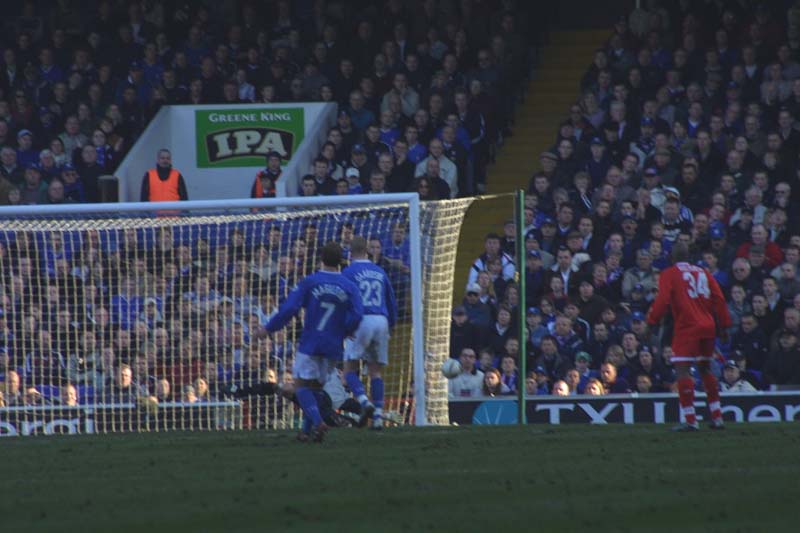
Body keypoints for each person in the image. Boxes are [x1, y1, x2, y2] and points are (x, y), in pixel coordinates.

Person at [259, 242, 363, 442]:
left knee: (301, 386)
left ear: (321, 259)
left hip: (311, 342)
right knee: (315, 389)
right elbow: (358, 314)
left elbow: (290, 309)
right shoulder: (349, 286)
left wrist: (268, 328)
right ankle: (306, 432)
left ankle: (318, 422)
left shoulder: (310, 282)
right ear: (341, 261)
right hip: (334, 345)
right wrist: (347, 329)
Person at [647, 242, 732, 431]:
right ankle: (717, 417)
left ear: (672, 257)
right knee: (705, 369)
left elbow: (662, 300)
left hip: (687, 327)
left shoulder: (669, 273)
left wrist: (652, 320)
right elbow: (719, 298)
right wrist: (724, 326)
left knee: (683, 371)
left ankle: (691, 420)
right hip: (708, 326)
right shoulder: (704, 272)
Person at [341, 236, 397, 429]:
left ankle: (365, 402)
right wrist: (391, 325)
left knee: (349, 368)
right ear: (368, 251)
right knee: (376, 372)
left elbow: (344, 302)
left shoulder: (348, 272)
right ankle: (379, 418)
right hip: (381, 319)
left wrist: (345, 327)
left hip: (361, 320)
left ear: (350, 253)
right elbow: (391, 300)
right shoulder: (379, 271)